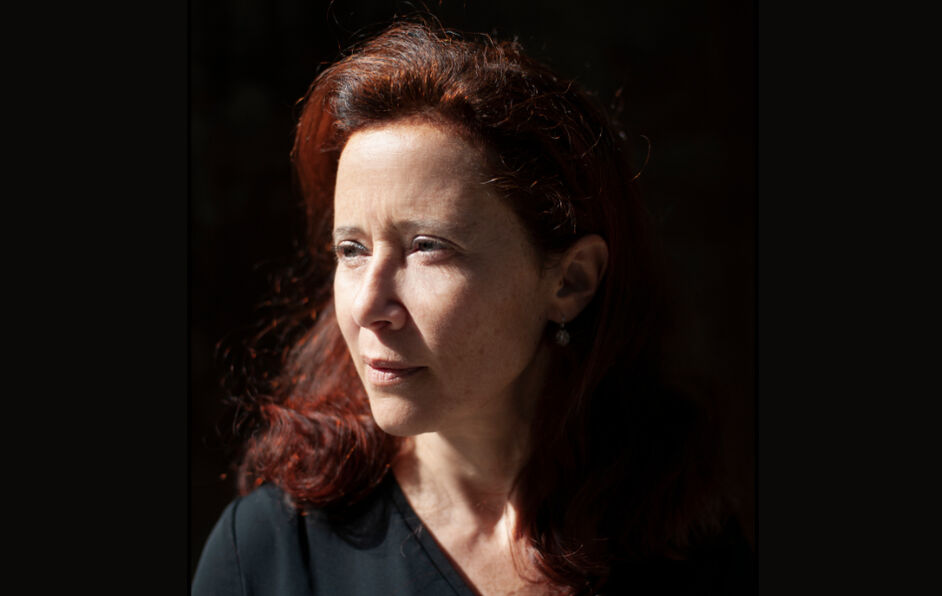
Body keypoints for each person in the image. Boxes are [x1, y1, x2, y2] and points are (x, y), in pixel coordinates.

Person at [192, 17, 754, 596]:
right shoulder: (269, 553)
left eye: (427, 247)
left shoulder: (683, 546)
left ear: (570, 282)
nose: (367, 306)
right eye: (351, 249)